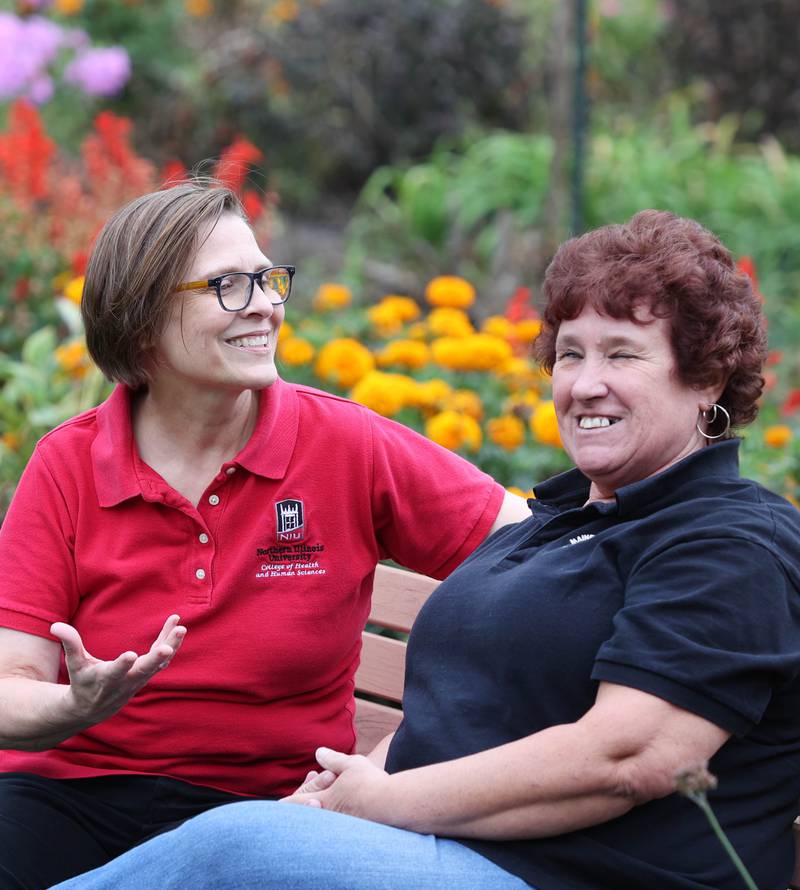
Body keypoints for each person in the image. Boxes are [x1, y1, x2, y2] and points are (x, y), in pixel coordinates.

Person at [53, 209, 800, 890]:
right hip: (445, 855)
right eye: (570, 354)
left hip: (573, 876)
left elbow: (630, 758)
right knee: (251, 839)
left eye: (623, 355)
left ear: (706, 377)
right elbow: (446, 719)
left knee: (237, 849)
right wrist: (335, 797)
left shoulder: (729, 540)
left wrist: (380, 802)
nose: (586, 384)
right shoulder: (557, 523)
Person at [0, 180, 529, 890]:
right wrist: (74, 705)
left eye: (266, 279)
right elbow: (10, 685)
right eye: (225, 285)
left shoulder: (345, 444)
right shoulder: (68, 464)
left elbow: (534, 552)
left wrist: (407, 742)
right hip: (67, 799)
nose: (265, 305)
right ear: (141, 322)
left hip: (272, 813)